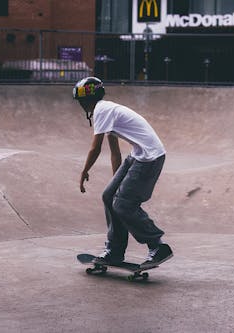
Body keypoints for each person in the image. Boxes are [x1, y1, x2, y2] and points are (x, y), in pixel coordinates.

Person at [73, 76, 173, 269]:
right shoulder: (108, 110)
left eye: (81, 102)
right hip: (139, 154)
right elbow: (115, 152)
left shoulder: (101, 110)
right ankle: (115, 250)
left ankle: (158, 246)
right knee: (109, 196)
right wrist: (116, 183)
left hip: (149, 158)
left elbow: (96, 148)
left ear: (87, 100)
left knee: (124, 204)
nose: (81, 106)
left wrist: (84, 171)